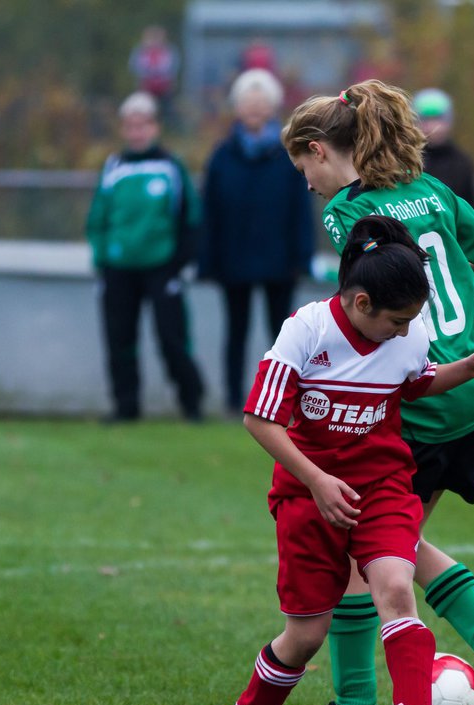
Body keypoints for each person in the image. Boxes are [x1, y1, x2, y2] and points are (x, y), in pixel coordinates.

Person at [272, 79, 474, 705]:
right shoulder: (437, 190)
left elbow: (361, 302)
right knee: (398, 544)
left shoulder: (348, 212)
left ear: (318, 150)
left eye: (303, 169)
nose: (307, 185)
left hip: (419, 391)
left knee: (363, 551)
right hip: (472, 390)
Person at [223, 215, 474, 705]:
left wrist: (464, 368)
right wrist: (317, 480)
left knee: (397, 589)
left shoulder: (409, 331)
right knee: (305, 635)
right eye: (396, 321)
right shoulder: (306, 330)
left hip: (382, 485)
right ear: (360, 304)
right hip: (308, 496)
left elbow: (417, 381)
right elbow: (260, 420)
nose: (405, 331)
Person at [85, 92, 204, 422]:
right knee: (119, 341)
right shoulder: (113, 167)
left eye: (143, 125)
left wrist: (175, 266)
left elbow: (191, 218)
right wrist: (102, 260)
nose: (137, 132)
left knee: (172, 339)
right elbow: (97, 219)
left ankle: (191, 404)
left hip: (161, 269)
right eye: (131, 126)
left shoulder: (170, 166)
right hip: (118, 269)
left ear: (154, 126)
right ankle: (125, 408)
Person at [200, 69, 313, 414]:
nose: (254, 108)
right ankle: (235, 401)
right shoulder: (221, 157)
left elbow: (302, 211)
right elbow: (210, 213)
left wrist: (301, 257)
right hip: (234, 262)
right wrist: (209, 261)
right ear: (237, 107)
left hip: (280, 261)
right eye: (247, 102)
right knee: (235, 334)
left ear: (272, 107)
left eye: (261, 102)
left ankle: (282, 402)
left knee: (282, 338)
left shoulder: (288, 156)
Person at [413, 88, 474, 211]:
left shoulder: (462, 162)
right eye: (426, 119)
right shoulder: (408, 160)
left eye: (437, 119)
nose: (432, 127)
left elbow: (472, 208)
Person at [128, 27, 179, 118]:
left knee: (166, 111)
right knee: (145, 110)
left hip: (164, 87)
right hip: (146, 87)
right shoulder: (140, 51)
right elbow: (135, 67)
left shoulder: (169, 51)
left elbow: (172, 68)